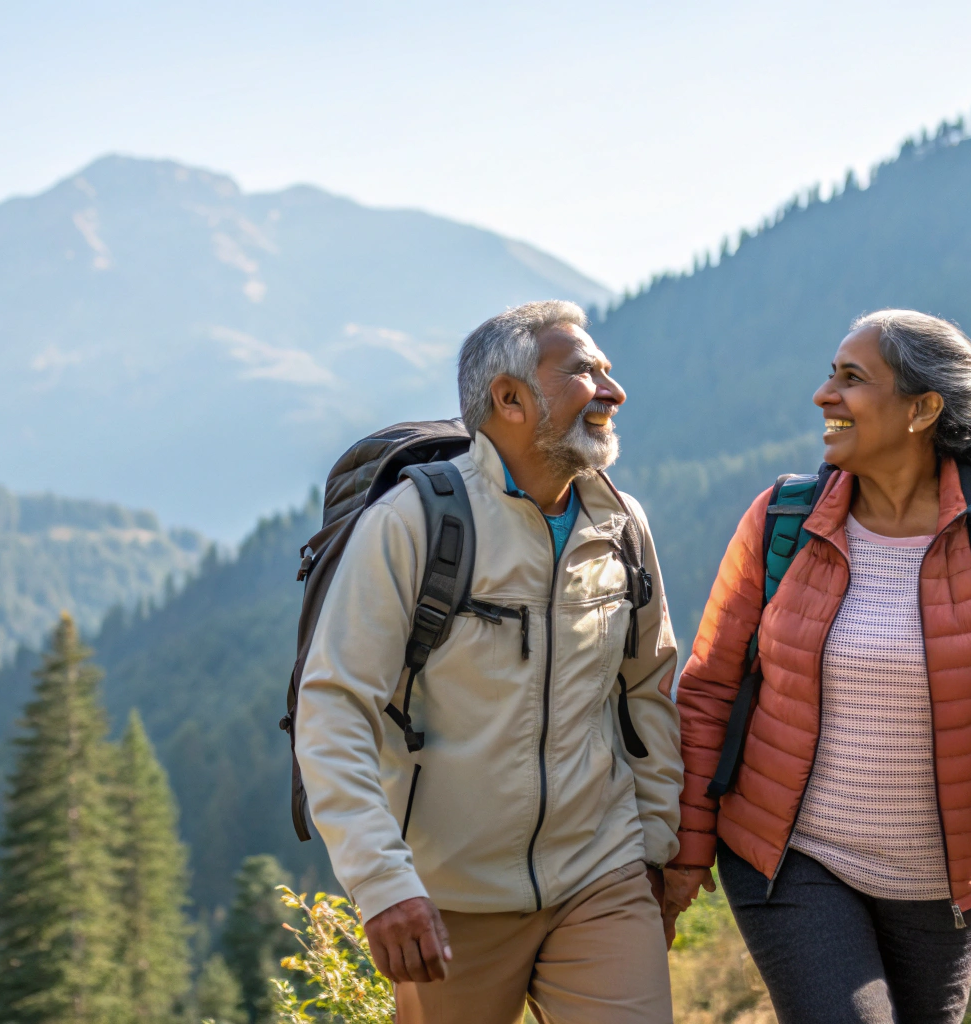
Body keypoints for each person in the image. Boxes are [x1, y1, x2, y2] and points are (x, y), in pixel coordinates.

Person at [664, 310, 971, 1024]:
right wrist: (687, 845)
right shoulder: (782, 519)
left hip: (943, 885)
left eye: (852, 378)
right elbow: (709, 688)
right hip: (791, 857)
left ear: (923, 409)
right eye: (832, 373)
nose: (823, 395)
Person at [293, 300, 683, 1024]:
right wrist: (384, 885)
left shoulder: (621, 525)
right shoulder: (415, 523)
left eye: (607, 370)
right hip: (447, 900)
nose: (612, 391)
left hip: (602, 877)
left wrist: (655, 847)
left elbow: (649, 687)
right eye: (584, 372)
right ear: (509, 399)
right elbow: (333, 707)